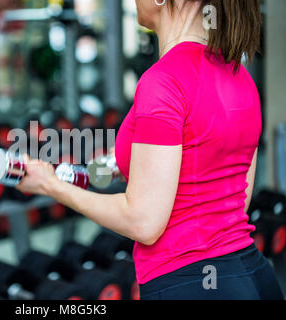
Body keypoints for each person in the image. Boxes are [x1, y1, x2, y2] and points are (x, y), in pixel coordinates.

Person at [15, 0, 284, 300]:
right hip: (251, 275)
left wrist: (50, 186)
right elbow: (232, 198)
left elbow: (143, 223)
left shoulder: (163, 82)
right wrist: (124, 163)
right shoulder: (241, 78)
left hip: (191, 284)